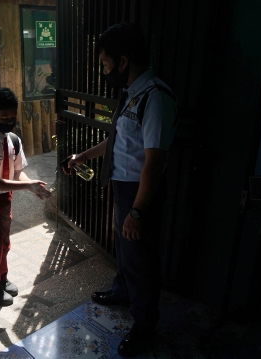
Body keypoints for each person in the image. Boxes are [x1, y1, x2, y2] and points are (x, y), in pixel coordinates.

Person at [64, 23, 177, 356]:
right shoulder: (132, 95)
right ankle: (122, 291)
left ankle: (144, 325)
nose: (103, 70)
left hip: (141, 191)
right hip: (123, 186)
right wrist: (84, 155)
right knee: (127, 251)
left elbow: (154, 163)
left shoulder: (155, 97)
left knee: (141, 260)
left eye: (104, 63)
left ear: (123, 61)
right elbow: (117, 140)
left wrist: (137, 210)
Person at [0, 88, 52, 306]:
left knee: (3, 242)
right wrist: (28, 186)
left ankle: (1, 278)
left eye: (13, 117)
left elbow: (16, 172)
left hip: (4, 198)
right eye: (4, 118)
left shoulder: (14, 140)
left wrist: (31, 186)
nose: (9, 121)